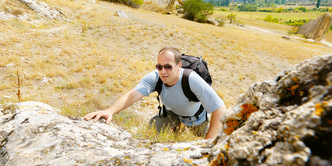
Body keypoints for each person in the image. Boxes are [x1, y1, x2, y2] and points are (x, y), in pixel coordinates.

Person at [84, 47, 226, 139]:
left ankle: (183, 128)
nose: (163, 71)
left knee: (207, 136)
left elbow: (219, 108)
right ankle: (177, 127)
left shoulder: (191, 79)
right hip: (172, 113)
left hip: (195, 119)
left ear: (179, 66)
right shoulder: (155, 77)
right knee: (151, 130)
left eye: (168, 67)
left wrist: (208, 144)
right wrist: (110, 110)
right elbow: (133, 94)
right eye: (159, 66)